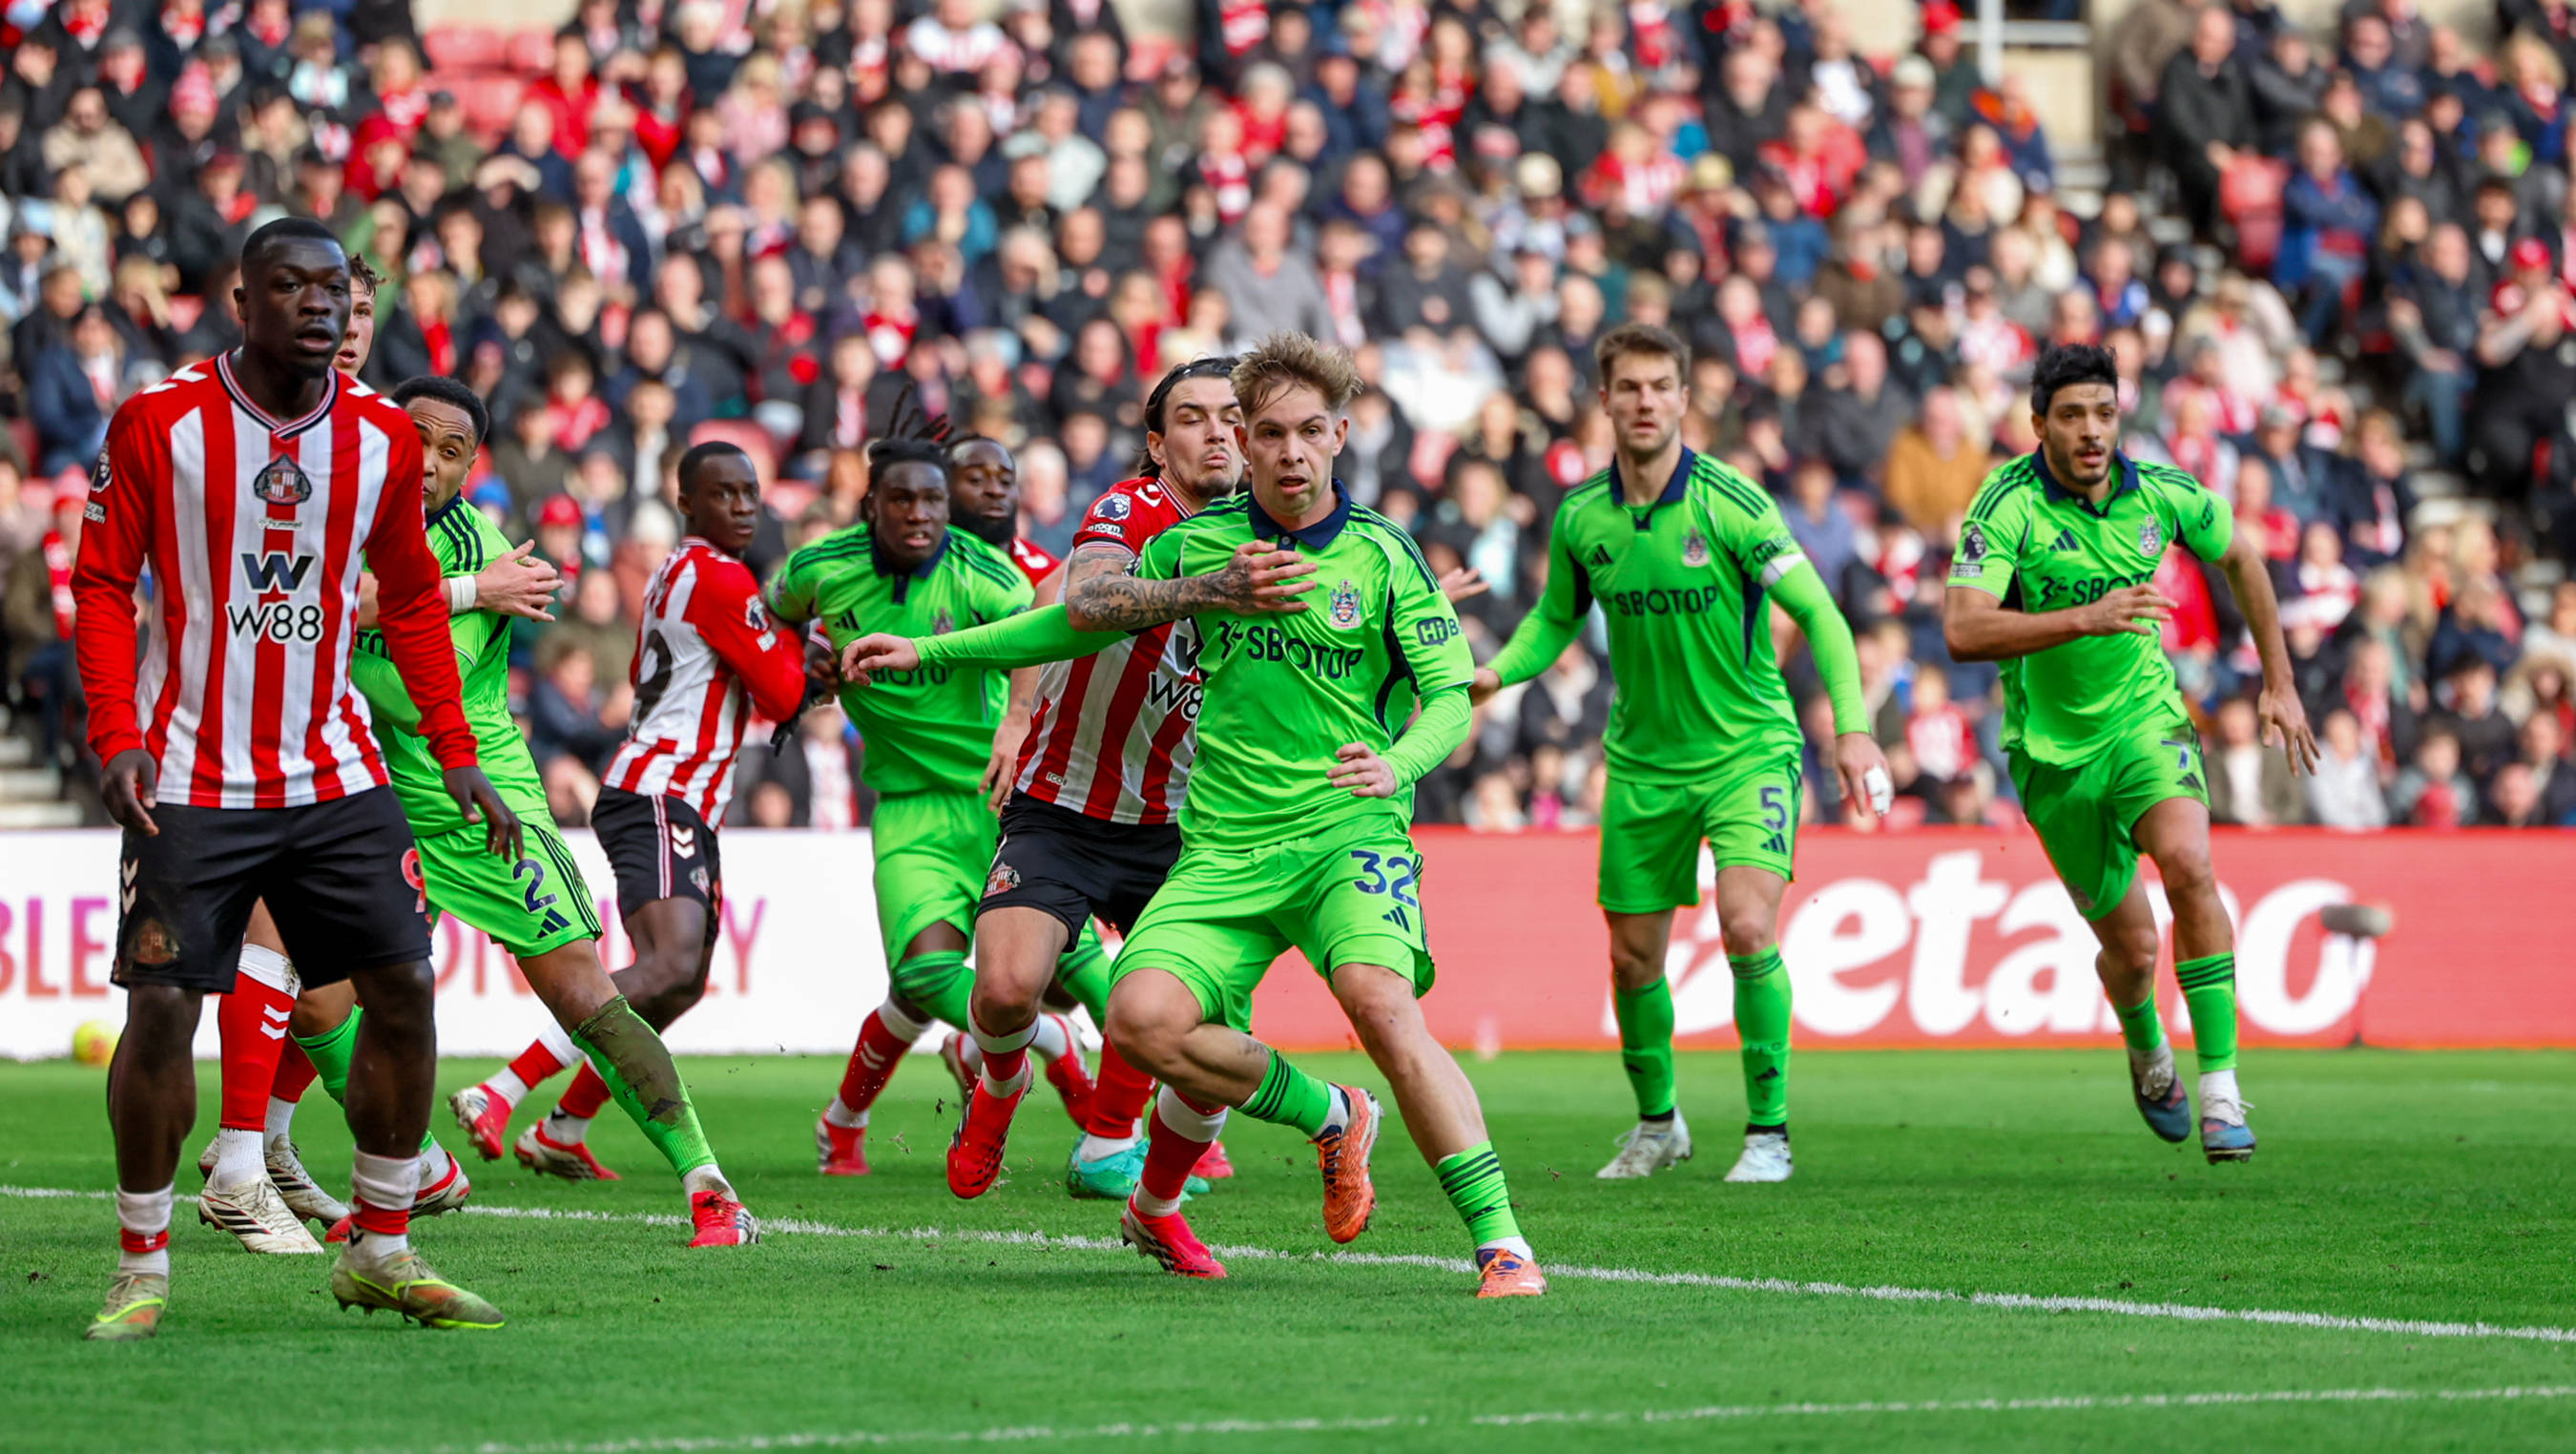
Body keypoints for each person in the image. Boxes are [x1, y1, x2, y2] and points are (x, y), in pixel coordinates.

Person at [849, 333, 1546, 1298]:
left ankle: (1502, 1242)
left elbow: (1446, 692)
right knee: (1138, 1023)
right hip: (1220, 848)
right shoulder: (1193, 545)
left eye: (1311, 431)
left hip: (1346, 835)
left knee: (1383, 1009)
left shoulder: (1385, 555)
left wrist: (1397, 763)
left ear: (1340, 435)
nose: (1291, 452)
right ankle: (1336, 1116)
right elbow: (1076, 619)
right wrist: (933, 654)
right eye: (1269, 433)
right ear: (1244, 447)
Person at [71, 218, 520, 1338]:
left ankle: (380, 1250)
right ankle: (140, 1263)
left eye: (335, 289)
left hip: (332, 767)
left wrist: (459, 755)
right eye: (292, 286)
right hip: (188, 769)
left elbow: (413, 599)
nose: (320, 306)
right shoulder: (161, 423)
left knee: (405, 989)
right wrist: (116, 731)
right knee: (166, 1006)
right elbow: (98, 581)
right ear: (241, 302)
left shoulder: (380, 439)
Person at [188, 259, 558, 1256]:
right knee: (207, 970)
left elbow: (383, 588)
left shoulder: (368, 436)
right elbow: (338, 594)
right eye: (326, 311)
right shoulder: (283, 428)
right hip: (241, 705)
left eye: (358, 313)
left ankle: (258, 1155)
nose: (345, 328)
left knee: (342, 972)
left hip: (337, 735)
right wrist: (478, 589)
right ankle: (233, 1171)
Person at [1470, 322, 1889, 1184]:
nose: (1645, 401)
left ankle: (1768, 1134)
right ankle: (1658, 1124)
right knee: (1631, 956)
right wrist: (1497, 674)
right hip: (1643, 764)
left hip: (1748, 751)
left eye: (1662, 385)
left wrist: (1850, 726)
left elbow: (1823, 615)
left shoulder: (1733, 504)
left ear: (1684, 399)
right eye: (1629, 387)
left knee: (1744, 925)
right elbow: (1554, 618)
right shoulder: (1583, 516)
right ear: (1605, 400)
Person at [1943, 343, 2317, 1165]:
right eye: (2072, 415)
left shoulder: (2162, 493)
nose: (2091, 432)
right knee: (2134, 949)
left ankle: (2220, 1093)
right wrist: (2084, 616)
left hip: (2147, 722)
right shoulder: (2004, 505)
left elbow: (2242, 559)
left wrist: (2279, 682)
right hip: (2053, 756)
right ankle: (2146, 1044)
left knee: (2190, 864)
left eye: (2104, 414)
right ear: (2039, 424)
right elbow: (1964, 628)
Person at [448, 442, 809, 1204]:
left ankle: (563, 1130)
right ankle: (504, 1089)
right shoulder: (714, 574)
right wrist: (811, 651)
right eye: (725, 494)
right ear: (687, 502)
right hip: (660, 792)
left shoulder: (686, 571)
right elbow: (781, 692)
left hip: (677, 797)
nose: (743, 507)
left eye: (751, 493)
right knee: (668, 965)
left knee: (678, 984)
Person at [766, 401, 1101, 1175]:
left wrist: (1019, 717)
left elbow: (1035, 640)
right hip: (912, 805)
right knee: (922, 979)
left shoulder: (987, 576)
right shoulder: (821, 567)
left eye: (935, 503)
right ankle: (1059, 1058)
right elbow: (773, 619)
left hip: (1003, 800)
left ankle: (1152, 1132)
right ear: (871, 504)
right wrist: (802, 672)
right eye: (905, 501)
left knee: (1091, 978)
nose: (922, 516)